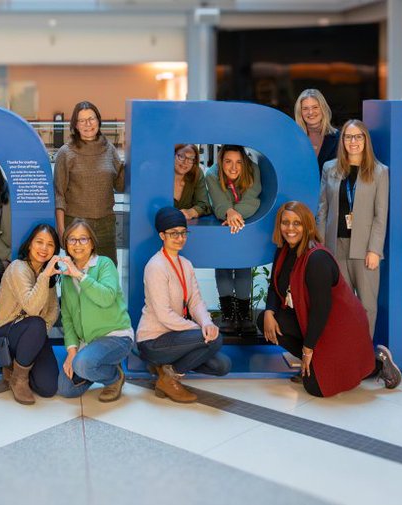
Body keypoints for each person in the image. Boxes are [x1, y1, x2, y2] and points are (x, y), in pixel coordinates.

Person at [260, 201, 402, 397]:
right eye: (285, 222)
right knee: (266, 322)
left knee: (316, 388)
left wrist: (307, 350)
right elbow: (274, 286)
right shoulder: (283, 250)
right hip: (311, 321)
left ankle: (376, 363)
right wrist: (269, 312)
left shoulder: (317, 258)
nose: (290, 228)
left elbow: (321, 310)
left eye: (297, 223)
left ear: (307, 225)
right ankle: (318, 364)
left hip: (338, 327)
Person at [138, 207, 231, 403]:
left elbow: (195, 300)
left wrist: (206, 323)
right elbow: (164, 315)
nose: (180, 238)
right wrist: (198, 330)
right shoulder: (155, 266)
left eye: (183, 232)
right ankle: (168, 377)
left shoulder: (186, 264)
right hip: (153, 341)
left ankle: (166, 370)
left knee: (222, 365)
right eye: (173, 233)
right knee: (214, 340)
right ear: (162, 235)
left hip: (178, 339)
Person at [318, 119, 388, 336]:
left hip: (365, 248)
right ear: (342, 141)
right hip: (334, 245)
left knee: (367, 305)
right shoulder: (330, 168)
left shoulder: (379, 172)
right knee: (340, 303)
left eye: (358, 136)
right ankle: (344, 351)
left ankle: (364, 354)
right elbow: (322, 208)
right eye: (348, 137)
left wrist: (375, 250)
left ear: (365, 140)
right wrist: (320, 246)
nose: (353, 141)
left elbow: (380, 214)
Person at [56, 220, 133, 402]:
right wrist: (72, 351)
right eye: (72, 240)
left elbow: (106, 298)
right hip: (87, 342)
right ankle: (94, 364)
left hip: (115, 336)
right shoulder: (66, 277)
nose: (77, 244)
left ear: (92, 243)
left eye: (83, 239)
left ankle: (114, 377)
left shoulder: (105, 264)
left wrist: (79, 275)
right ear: (66, 244)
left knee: (82, 365)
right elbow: (67, 317)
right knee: (66, 389)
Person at [0, 223, 63, 404]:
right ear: (30, 244)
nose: (44, 248)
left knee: (48, 388)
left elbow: (54, 309)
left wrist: (40, 334)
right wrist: (44, 276)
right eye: (39, 242)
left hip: (33, 333)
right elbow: (31, 308)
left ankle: (14, 367)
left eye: (50, 244)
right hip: (5, 331)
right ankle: (19, 379)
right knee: (36, 322)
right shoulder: (18, 267)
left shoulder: (49, 275)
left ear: (55, 250)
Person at [53, 101, 124, 263]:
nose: (88, 124)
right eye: (82, 120)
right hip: (77, 225)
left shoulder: (109, 149)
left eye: (91, 119)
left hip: (106, 223)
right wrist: (62, 229)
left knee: (108, 271)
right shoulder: (66, 152)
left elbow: (120, 184)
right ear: (75, 125)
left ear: (98, 120)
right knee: (78, 273)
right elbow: (59, 194)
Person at [205, 145, 263, 336]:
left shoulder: (252, 169)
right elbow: (219, 201)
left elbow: (253, 199)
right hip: (223, 221)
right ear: (221, 162)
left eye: (238, 162)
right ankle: (228, 314)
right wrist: (228, 212)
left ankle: (244, 315)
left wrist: (235, 215)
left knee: (243, 264)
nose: (233, 167)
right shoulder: (212, 174)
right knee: (222, 264)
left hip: (244, 221)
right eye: (228, 162)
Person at [294, 89, 340, 176]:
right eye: (305, 108)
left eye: (315, 107)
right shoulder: (293, 139)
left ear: (323, 108)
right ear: (300, 112)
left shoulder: (338, 138)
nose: (310, 112)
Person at [172, 144, 212, 220]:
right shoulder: (159, 176)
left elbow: (204, 205)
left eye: (191, 159)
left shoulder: (196, 173)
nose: (185, 162)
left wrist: (191, 212)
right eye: (181, 157)